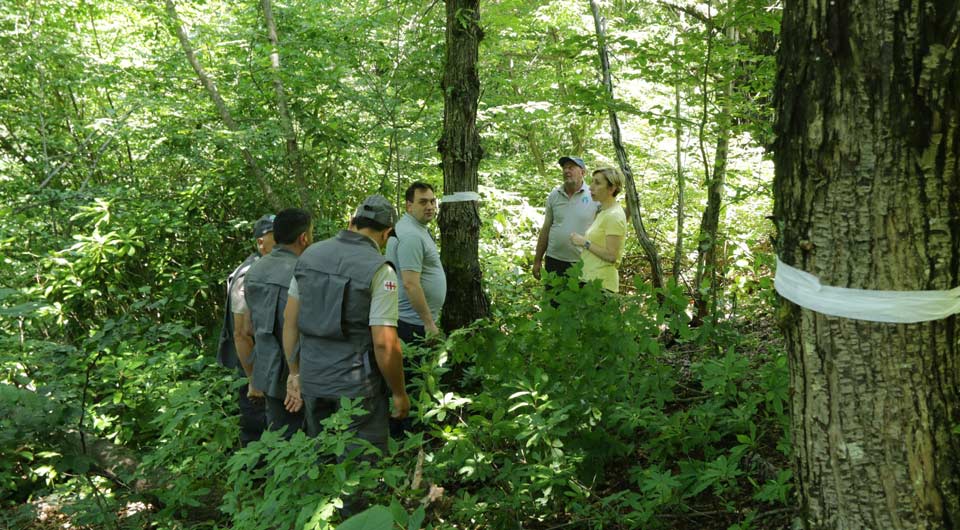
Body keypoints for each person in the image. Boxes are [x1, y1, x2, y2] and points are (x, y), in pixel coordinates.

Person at [282, 195, 409, 455]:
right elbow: (384, 343)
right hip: (357, 390)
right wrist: (399, 392)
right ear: (386, 234)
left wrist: (294, 373)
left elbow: (290, 322)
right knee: (360, 471)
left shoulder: (308, 256)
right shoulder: (380, 270)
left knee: (321, 459)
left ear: (352, 222)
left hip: (313, 379)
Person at [243, 208, 312, 439]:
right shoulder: (303, 271)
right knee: (307, 439)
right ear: (304, 238)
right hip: (300, 371)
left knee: (277, 438)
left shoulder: (255, 269)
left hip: (267, 368)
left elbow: (247, 328)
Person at [216, 214, 274, 446]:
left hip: (264, 362)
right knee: (256, 425)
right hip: (252, 365)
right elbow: (241, 333)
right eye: (275, 238)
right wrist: (253, 378)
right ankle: (253, 476)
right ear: (261, 242)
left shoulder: (265, 268)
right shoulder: (249, 274)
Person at [385, 182, 445, 344]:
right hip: (412, 325)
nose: (430, 206)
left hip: (413, 321)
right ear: (409, 206)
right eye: (423, 202)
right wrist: (428, 323)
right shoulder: (411, 236)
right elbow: (410, 284)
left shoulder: (415, 228)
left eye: (432, 201)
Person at [533, 156, 598, 282]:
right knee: (553, 300)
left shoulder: (594, 195)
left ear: (582, 172)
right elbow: (546, 229)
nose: (566, 171)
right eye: (564, 168)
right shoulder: (554, 196)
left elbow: (608, 224)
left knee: (579, 301)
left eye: (571, 167)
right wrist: (537, 260)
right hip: (554, 261)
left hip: (582, 262)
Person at [570, 167, 628, 292]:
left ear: (611, 189)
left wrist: (584, 242)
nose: (591, 187)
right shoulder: (604, 211)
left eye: (597, 183)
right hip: (590, 280)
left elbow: (612, 256)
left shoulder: (614, 216)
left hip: (602, 285)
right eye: (592, 182)